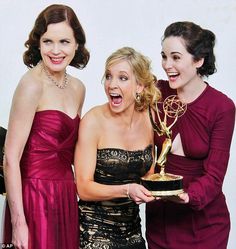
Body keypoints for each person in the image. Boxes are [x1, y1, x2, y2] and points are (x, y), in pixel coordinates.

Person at [3, 4, 89, 249]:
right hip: (33, 196)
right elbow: (11, 157)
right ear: (38, 44)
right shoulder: (31, 84)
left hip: (65, 195)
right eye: (48, 41)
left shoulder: (78, 88)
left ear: (76, 44)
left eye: (64, 41)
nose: (56, 50)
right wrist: (19, 222)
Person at [146, 21, 235, 249]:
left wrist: (186, 196)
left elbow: (215, 176)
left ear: (198, 60)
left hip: (203, 225)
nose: (167, 65)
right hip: (160, 221)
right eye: (164, 56)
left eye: (176, 57)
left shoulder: (221, 107)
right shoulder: (157, 92)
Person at [74, 47, 161, 249]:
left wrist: (162, 191)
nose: (112, 85)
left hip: (133, 232)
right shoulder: (93, 121)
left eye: (122, 78)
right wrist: (127, 190)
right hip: (95, 231)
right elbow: (83, 188)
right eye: (108, 76)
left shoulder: (150, 118)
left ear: (139, 85)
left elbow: (150, 175)